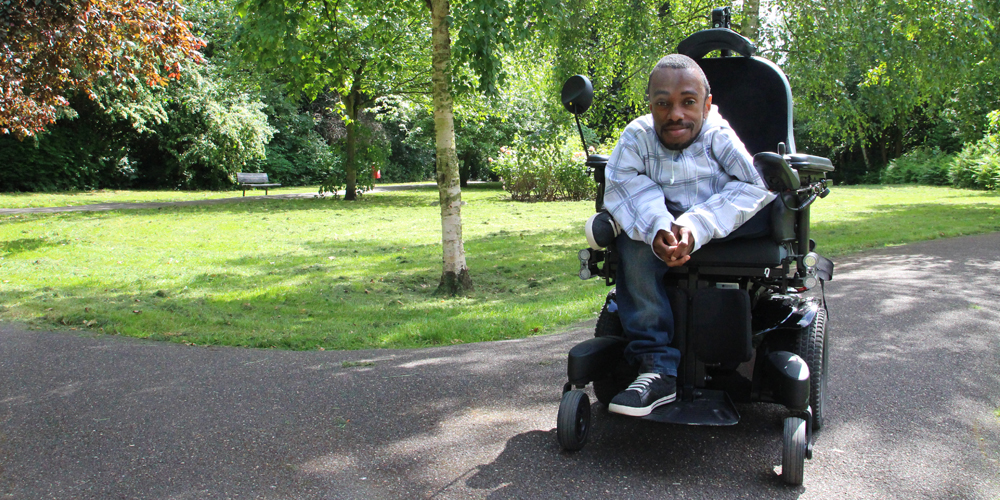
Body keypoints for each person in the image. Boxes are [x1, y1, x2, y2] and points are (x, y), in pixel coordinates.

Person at [602, 53, 775, 417]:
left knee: (752, 209)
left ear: (707, 105)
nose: (675, 114)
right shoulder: (637, 137)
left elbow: (754, 187)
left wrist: (694, 228)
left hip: (716, 224)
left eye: (688, 102)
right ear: (650, 104)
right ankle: (656, 368)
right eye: (662, 103)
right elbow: (622, 184)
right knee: (631, 244)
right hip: (657, 224)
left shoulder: (718, 135)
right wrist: (659, 228)